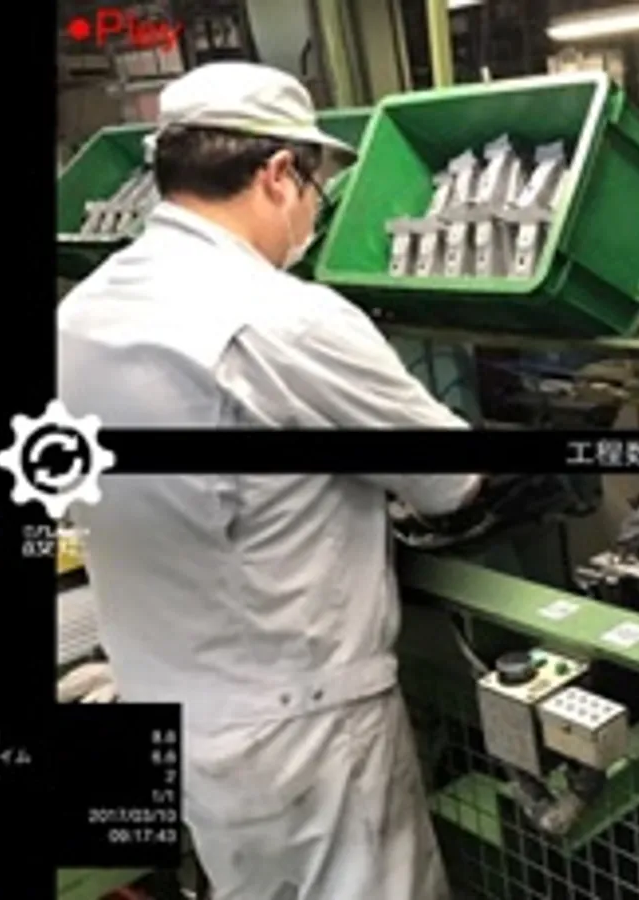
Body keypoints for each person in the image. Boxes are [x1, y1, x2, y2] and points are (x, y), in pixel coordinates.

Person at [57, 62, 474, 900]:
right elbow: (452, 481)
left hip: (176, 708)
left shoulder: (82, 312)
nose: (314, 213)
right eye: (315, 187)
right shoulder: (285, 317)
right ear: (279, 173)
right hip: (305, 732)